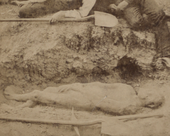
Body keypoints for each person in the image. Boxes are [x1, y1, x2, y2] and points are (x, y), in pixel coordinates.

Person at [4, 82, 164, 115]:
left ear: (149, 105)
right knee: (50, 89)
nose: (147, 91)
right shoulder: (128, 88)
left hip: (85, 101)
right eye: (150, 90)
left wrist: (77, 89)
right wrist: (79, 84)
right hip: (84, 89)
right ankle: (26, 106)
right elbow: (100, 85)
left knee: (39, 94)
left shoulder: (128, 107)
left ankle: (17, 98)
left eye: (150, 95)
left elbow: (100, 102)